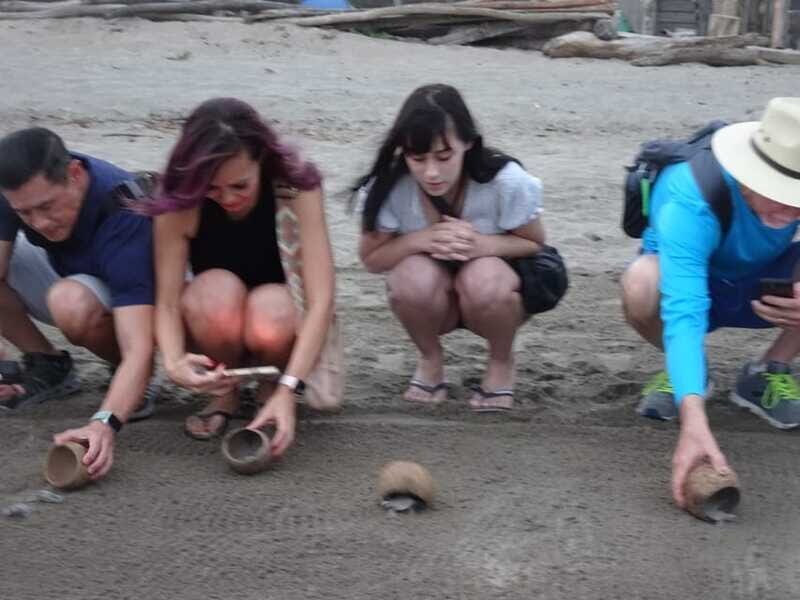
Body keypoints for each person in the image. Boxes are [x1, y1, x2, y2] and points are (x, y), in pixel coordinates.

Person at [620, 97, 800, 507]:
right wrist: (694, 423)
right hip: (689, 287)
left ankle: (768, 371)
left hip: (762, 285)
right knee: (641, 283)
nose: (791, 209)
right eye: (780, 193)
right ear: (749, 173)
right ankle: (689, 376)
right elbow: (684, 309)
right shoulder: (689, 194)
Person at [150, 97, 335, 458]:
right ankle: (226, 390)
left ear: (262, 160)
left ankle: (272, 387)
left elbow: (322, 300)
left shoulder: (296, 187)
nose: (227, 198)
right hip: (215, 320)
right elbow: (168, 302)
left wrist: (289, 387)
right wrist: (173, 362)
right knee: (213, 292)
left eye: (240, 185)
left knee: (271, 309)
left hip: (280, 316)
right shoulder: (178, 203)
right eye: (213, 189)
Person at [356, 83, 549, 411]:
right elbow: (372, 259)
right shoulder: (388, 186)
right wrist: (421, 239)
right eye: (418, 158)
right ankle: (430, 358)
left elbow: (533, 242)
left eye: (444, 157)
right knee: (408, 277)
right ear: (404, 150)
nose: (431, 172)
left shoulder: (506, 181)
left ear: (468, 144)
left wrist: (482, 244)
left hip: (493, 299)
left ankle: (501, 361)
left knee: (483, 276)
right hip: (431, 301)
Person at [0, 127, 159, 480]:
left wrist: (104, 423)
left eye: (47, 206)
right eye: (25, 214)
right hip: (69, 271)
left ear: (74, 174)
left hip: (138, 299)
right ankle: (49, 364)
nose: (39, 223)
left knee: (70, 302)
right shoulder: (16, 191)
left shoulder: (123, 206)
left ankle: (133, 382)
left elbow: (140, 346)